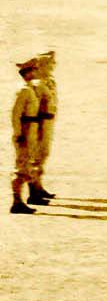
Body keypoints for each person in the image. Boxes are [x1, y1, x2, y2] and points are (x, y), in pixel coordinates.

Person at [11, 58, 40, 214]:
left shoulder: (28, 89)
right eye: (34, 70)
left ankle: (20, 200)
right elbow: (16, 114)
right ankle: (16, 201)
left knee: (26, 164)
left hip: (31, 129)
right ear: (28, 73)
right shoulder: (24, 90)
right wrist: (18, 133)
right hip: (25, 129)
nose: (36, 72)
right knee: (21, 166)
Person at [30, 50, 57, 203]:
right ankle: (33, 191)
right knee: (37, 155)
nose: (53, 66)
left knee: (44, 153)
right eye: (50, 63)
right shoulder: (38, 84)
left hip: (49, 121)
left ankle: (39, 185)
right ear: (42, 65)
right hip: (41, 122)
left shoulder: (49, 81)